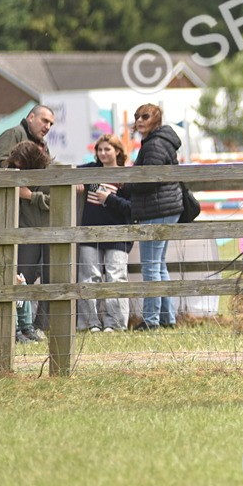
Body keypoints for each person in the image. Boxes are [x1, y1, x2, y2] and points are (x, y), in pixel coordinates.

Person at [129, 104, 184, 330]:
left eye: (145, 116)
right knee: (159, 265)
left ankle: (151, 321)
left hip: (157, 208)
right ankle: (166, 318)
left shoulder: (154, 144)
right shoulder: (160, 141)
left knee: (151, 266)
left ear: (156, 119)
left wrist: (128, 184)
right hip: (166, 207)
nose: (140, 120)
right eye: (137, 117)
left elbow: (149, 179)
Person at [76, 135, 132, 333]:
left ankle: (114, 323)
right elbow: (72, 173)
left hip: (118, 234)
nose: (103, 153)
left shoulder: (125, 178)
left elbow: (132, 208)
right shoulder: (91, 171)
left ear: (117, 151)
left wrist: (109, 199)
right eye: (100, 150)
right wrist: (76, 183)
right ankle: (89, 322)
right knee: (89, 276)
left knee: (116, 277)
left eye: (107, 149)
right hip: (90, 232)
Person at [6, 141, 50, 342]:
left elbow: (58, 202)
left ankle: (44, 325)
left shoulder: (50, 174)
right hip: (25, 234)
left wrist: (31, 196)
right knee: (23, 279)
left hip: (52, 233)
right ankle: (22, 326)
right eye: (15, 166)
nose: (17, 169)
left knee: (52, 280)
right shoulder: (11, 175)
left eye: (21, 166)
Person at [0, 104, 53, 170]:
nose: (48, 127)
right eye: (45, 121)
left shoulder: (43, 145)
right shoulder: (13, 134)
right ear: (31, 117)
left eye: (51, 124)